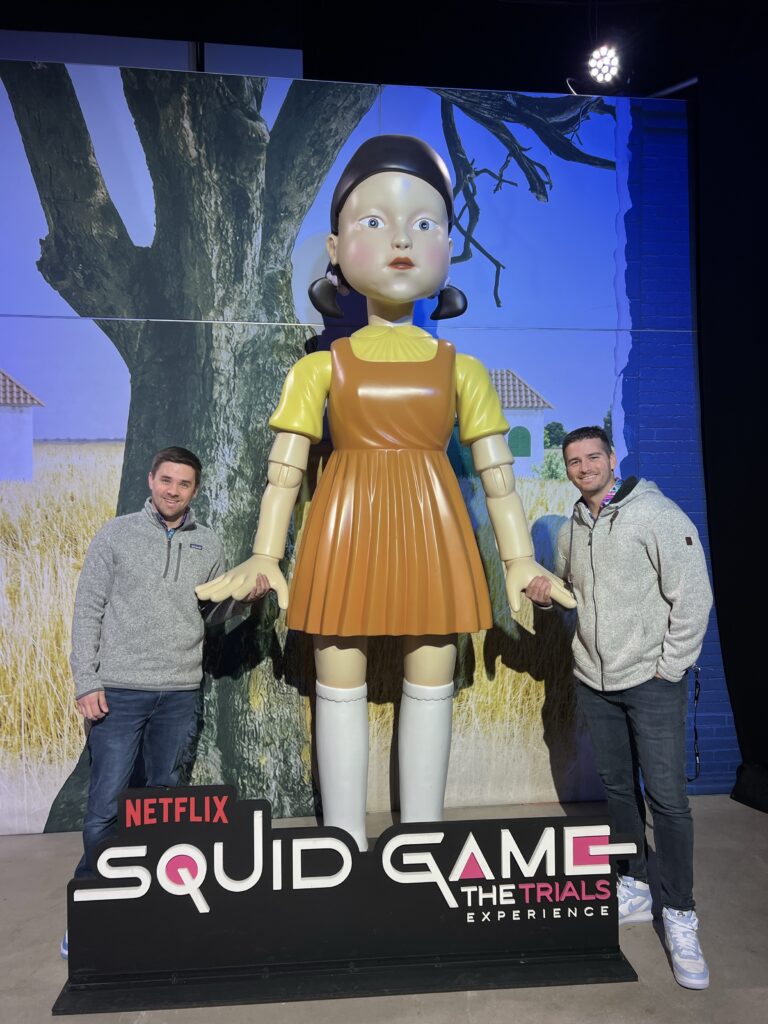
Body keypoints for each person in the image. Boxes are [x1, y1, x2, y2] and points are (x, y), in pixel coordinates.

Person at [197, 135, 574, 853]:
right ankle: (341, 843)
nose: (402, 239)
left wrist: (520, 559)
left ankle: (420, 843)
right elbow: (286, 471)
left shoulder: (461, 368)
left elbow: (498, 476)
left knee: (431, 672)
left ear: (448, 249)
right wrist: (265, 554)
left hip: (433, 529)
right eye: (374, 221)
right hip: (345, 525)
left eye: (424, 223)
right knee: (336, 674)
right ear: (335, 248)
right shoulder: (320, 368)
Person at [525, 426, 713, 990]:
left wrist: (669, 667)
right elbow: (571, 597)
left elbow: (694, 596)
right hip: (594, 682)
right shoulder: (573, 529)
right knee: (617, 788)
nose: (584, 468)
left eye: (593, 457)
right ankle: (634, 879)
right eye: (573, 461)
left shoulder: (656, 514)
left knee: (667, 799)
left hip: (652, 681)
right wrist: (545, 597)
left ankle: (680, 913)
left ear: (612, 459)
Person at [63, 446, 268, 958]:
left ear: (194, 490)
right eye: (166, 480)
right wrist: (86, 681)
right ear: (150, 480)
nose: (173, 491)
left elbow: (208, 614)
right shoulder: (116, 535)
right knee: (107, 804)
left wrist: (244, 601)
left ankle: (150, 904)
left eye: (184, 484)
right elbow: (88, 609)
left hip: (179, 693)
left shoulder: (208, 542)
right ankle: (93, 906)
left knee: (163, 803)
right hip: (119, 691)